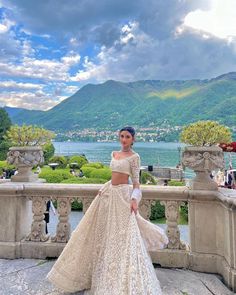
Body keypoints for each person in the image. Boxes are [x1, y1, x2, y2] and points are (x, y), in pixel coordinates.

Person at [46, 126, 169, 294]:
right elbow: (113, 178)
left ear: (133, 139)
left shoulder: (135, 157)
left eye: (127, 137)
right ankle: (99, 273)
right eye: (121, 136)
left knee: (123, 238)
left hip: (123, 199)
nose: (124, 139)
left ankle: (123, 278)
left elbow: (136, 184)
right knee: (103, 235)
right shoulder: (114, 154)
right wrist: (105, 188)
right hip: (109, 196)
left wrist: (134, 200)